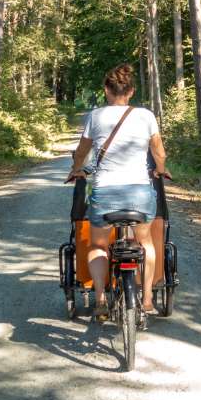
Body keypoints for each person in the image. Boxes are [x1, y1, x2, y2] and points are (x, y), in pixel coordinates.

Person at [67, 63, 170, 321]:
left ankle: (100, 299)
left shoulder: (96, 116)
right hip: (138, 192)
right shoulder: (145, 116)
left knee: (98, 245)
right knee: (145, 243)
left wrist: (76, 169)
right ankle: (146, 300)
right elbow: (158, 151)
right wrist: (160, 168)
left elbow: (82, 151)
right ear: (131, 91)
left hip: (106, 192)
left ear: (106, 90)